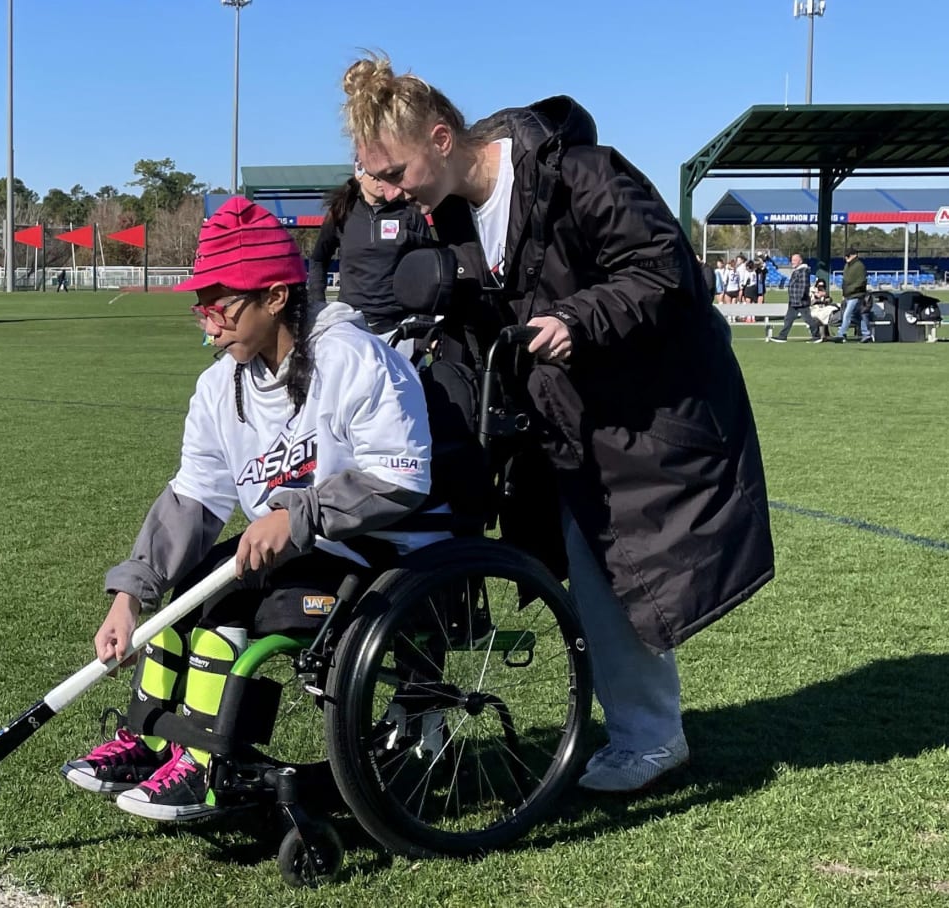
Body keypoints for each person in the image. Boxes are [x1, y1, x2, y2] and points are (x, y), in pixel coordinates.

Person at [343, 53, 774, 794]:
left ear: (441, 139)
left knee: (616, 573)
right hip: (561, 417)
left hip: (649, 404)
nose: (384, 194)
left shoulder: (583, 173)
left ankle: (650, 738)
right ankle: (641, 728)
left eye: (392, 174)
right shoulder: (443, 212)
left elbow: (669, 271)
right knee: (591, 567)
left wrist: (580, 316)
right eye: (372, 177)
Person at [59, 196, 446, 821]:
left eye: (221, 306)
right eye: (200, 308)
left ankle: (208, 764)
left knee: (234, 604)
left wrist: (299, 513)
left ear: (274, 297)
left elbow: (401, 479)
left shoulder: (354, 359)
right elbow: (194, 496)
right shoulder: (220, 386)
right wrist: (131, 595)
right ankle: (153, 740)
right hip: (296, 549)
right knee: (185, 583)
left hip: (373, 553)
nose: (207, 324)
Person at [307, 162, 435, 337]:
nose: (383, 183)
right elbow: (318, 260)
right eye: (376, 177)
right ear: (359, 175)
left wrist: (423, 319)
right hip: (350, 325)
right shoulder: (341, 211)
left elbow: (427, 267)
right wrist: (318, 305)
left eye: (388, 177)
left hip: (398, 324)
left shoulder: (410, 214)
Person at [768, 253, 820, 343]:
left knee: (807, 319)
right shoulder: (798, 271)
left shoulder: (803, 271)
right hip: (794, 301)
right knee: (788, 319)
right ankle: (782, 336)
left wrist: (800, 298)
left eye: (795, 260)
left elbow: (804, 286)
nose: (793, 262)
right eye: (792, 260)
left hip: (800, 301)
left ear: (800, 261)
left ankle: (816, 336)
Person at [833, 249, 870, 342]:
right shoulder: (847, 266)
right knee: (859, 315)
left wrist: (849, 290)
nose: (846, 257)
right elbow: (845, 281)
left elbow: (861, 282)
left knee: (847, 314)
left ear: (854, 255)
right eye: (845, 256)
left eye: (848, 255)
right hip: (848, 295)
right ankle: (866, 334)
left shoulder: (860, 266)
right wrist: (844, 293)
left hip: (856, 295)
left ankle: (841, 334)